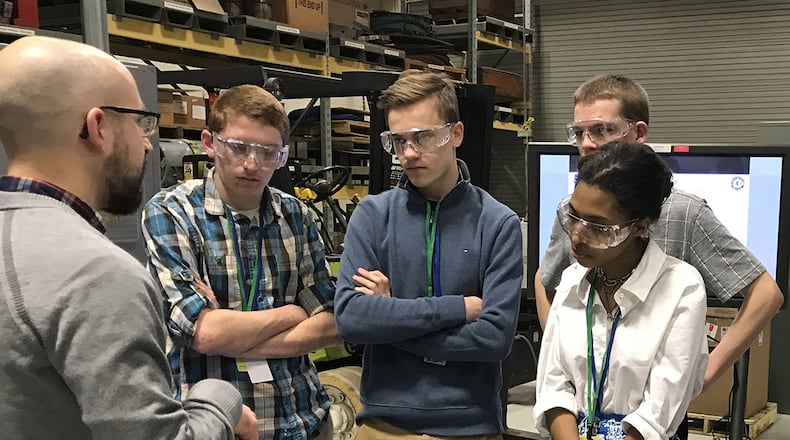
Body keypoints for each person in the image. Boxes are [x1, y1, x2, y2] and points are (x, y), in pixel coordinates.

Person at [0, 36, 257, 440]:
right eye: (140, 122)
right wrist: (220, 398)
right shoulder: (96, 274)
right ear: (97, 127)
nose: (147, 143)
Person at [535, 74, 783, 393]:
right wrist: (557, 356)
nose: (587, 143)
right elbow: (545, 279)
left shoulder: (682, 212)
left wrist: (705, 374)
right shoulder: (570, 209)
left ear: (639, 132)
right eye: (579, 133)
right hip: (585, 397)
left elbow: (765, 294)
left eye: (601, 130)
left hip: (654, 399)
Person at [142, 84, 339, 440]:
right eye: (238, 147)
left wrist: (232, 334)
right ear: (209, 143)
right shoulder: (172, 212)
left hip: (304, 419)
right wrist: (292, 313)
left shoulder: (295, 215)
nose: (252, 164)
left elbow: (330, 323)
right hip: (220, 427)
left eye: (268, 153)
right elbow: (203, 332)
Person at [334, 70, 524, 439]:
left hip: (469, 427)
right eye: (398, 140)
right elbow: (351, 320)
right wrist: (458, 309)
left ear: (456, 134)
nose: (408, 153)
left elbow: (494, 338)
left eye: (423, 137)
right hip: (383, 426)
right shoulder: (373, 215)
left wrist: (389, 321)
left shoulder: (497, 223)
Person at [534, 141, 708, 440]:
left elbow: (658, 412)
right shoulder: (573, 281)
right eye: (573, 217)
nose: (576, 237)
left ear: (640, 227)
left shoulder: (680, 288)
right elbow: (554, 386)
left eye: (598, 227)